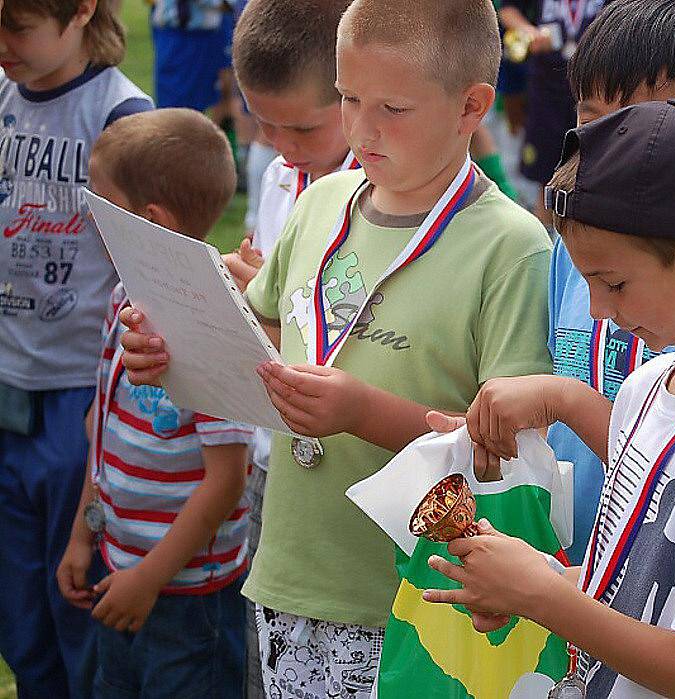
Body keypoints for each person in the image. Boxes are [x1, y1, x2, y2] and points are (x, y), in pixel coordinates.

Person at [119, 1, 555, 695]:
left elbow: (508, 448)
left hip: (408, 597)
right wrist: (173, 349)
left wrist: (361, 410)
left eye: (393, 108)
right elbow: (265, 336)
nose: (360, 127)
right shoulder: (322, 201)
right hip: (291, 573)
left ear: (472, 105)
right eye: (349, 98)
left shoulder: (511, 247)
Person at [424, 99, 675, 698]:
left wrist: (542, 597)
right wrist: (537, 580)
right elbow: (637, 589)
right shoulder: (648, 388)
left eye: (615, 283)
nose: (598, 310)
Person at [56, 108, 251, 698]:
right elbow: (105, 426)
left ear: (147, 221)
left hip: (190, 602)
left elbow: (227, 479)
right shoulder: (125, 300)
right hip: (121, 570)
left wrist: (149, 579)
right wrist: (83, 535)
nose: (91, 218)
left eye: (102, 206)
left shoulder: (208, 324)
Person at [0, 1, 152, 696]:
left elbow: (148, 271)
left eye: (18, 26)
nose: (3, 45)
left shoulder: (120, 116)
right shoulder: (3, 98)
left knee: (78, 596)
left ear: (81, 10)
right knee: (18, 607)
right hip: (8, 382)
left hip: (80, 399)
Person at [224, 1, 356, 694]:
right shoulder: (282, 176)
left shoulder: (378, 192)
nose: (280, 145)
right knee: (269, 662)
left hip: (346, 477)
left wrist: (266, 303)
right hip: (270, 457)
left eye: (302, 125)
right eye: (259, 122)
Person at [498, 0, 606, 220]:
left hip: (598, 88)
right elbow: (508, 9)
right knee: (547, 180)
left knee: (598, 177)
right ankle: (546, 245)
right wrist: (528, 31)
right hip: (547, 89)